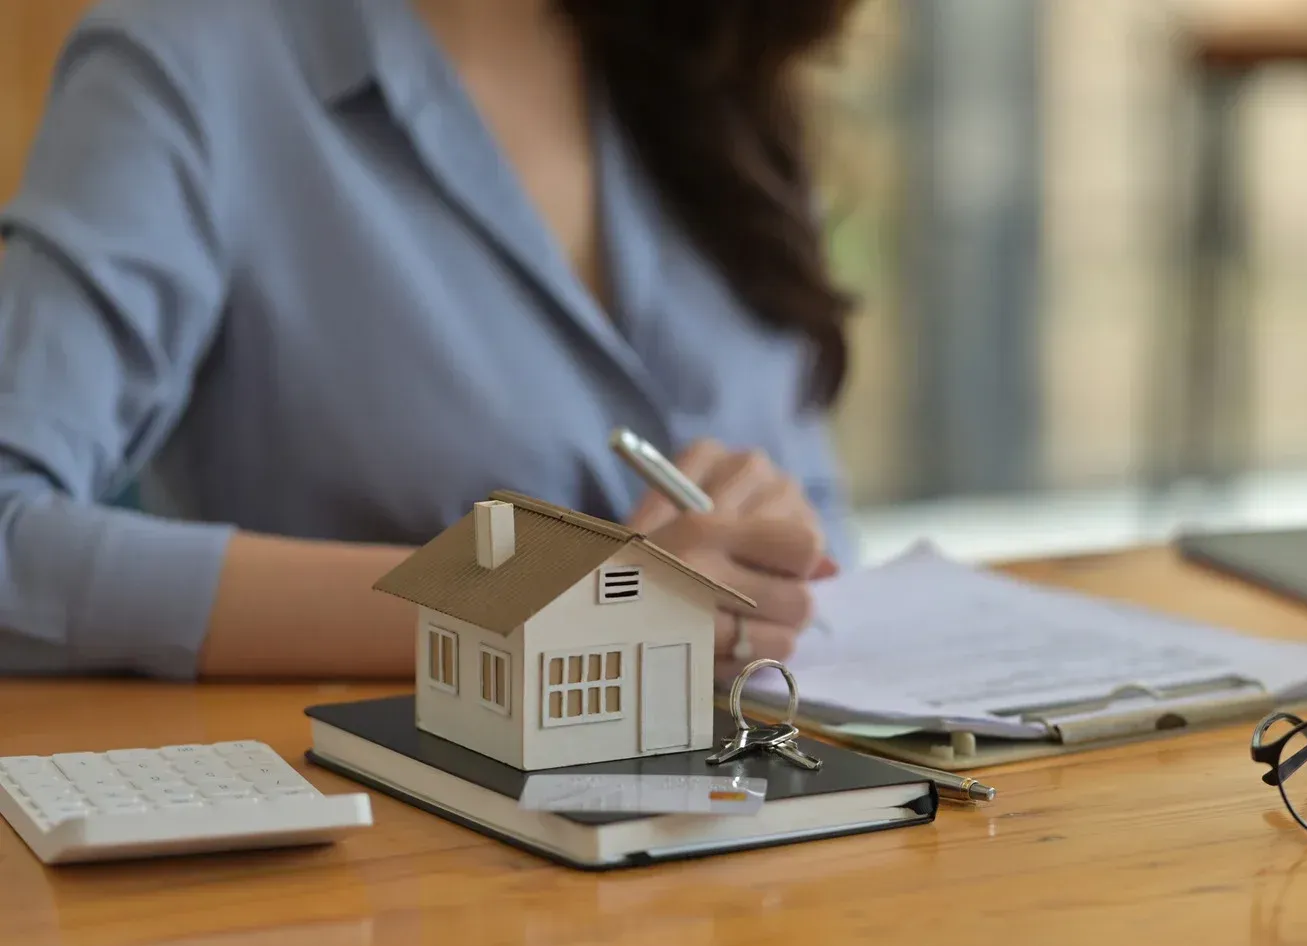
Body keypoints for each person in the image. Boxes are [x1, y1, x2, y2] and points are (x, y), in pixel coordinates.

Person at [0, 0, 862, 682]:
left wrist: (776, 551)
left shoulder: (708, 58)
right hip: (399, 870)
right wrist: (532, 605)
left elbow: (820, 528)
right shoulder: (192, 63)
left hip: (766, 844)